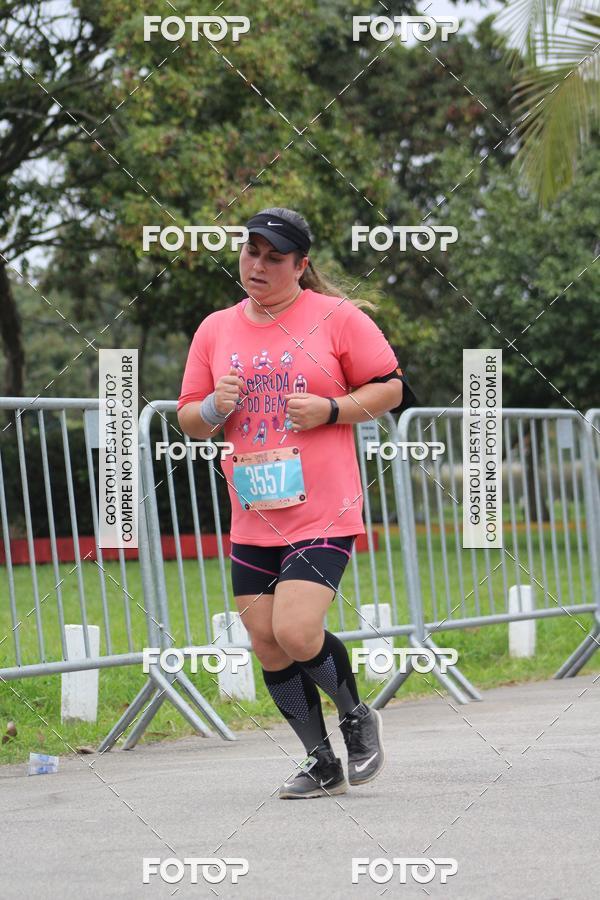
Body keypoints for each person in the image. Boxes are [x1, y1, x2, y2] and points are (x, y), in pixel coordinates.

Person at [177, 207, 410, 799]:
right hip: (252, 511)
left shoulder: (336, 318)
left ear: (301, 267)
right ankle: (320, 760)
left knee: (298, 630)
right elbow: (189, 418)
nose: (257, 265)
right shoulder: (215, 329)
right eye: (251, 251)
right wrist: (212, 410)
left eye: (273, 257)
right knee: (266, 639)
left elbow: (392, 387)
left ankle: (358, 719)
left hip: (322, 510)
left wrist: (331, 410)